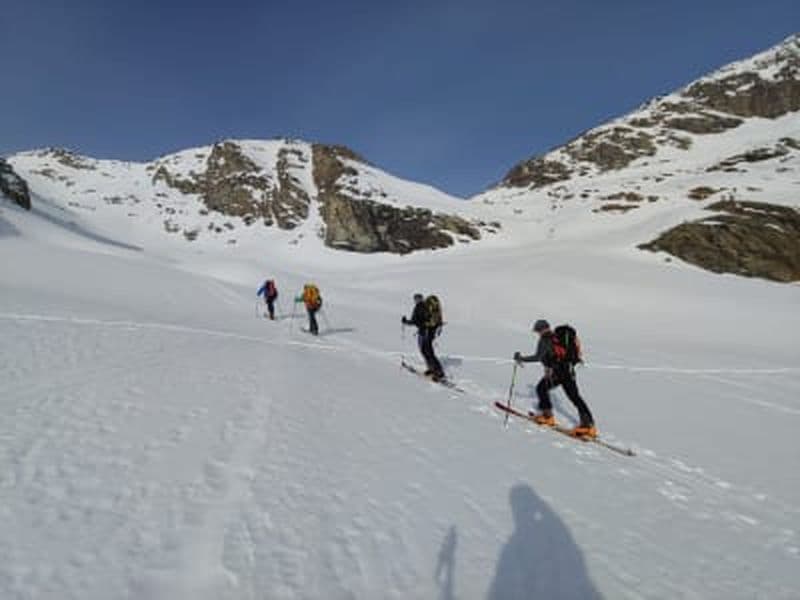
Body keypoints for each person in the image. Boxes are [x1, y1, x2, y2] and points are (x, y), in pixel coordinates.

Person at [514, 319, 597, 438]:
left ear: (540, 330)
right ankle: (589, 425)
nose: (538, 333)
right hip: (568, 371)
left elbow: (538, 357)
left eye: (537, 331)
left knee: (541, 388)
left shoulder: (545, 339)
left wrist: (521, 358)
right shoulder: (558, 337)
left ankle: (547, 417)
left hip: (558, 372)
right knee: (575, 397)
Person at [402, 293, 445, 381]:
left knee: (427, 351)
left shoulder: (419, 307)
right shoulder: (426, 306)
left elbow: (414, 321)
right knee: (427, 350)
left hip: (425, 332)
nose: (416, 301)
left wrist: (405, 321)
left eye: (416, 299)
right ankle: (432, 369)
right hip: (431, 331)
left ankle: (439, 372)